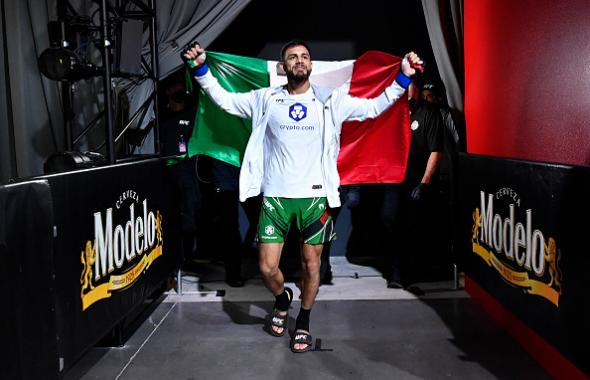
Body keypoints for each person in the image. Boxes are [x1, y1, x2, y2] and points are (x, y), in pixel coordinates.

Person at [183, 40, 423, 353]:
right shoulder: (265, 99)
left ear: (310, 65)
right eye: (293, 57)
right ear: (283, 66)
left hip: (314, 199)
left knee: (312, 267)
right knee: (268, 268)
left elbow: (373, 108)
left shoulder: (329, 100)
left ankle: (304, 321)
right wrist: (200, 69)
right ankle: (283, 299)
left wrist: (403, 77)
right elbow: (225, 100)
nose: (300, 60)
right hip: (275, 200)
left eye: (305, 56)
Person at [386, 81, 444, 289]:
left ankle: (406, 274)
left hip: (416, 180)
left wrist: (424, 183)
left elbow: (436, 150)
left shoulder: (428, 113)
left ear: (416, 91)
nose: (407, 100)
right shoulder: (393, 111)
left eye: (410, 95)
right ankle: (394, 269)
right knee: (390, 219)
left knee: (412, 226)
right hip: (393, 180)